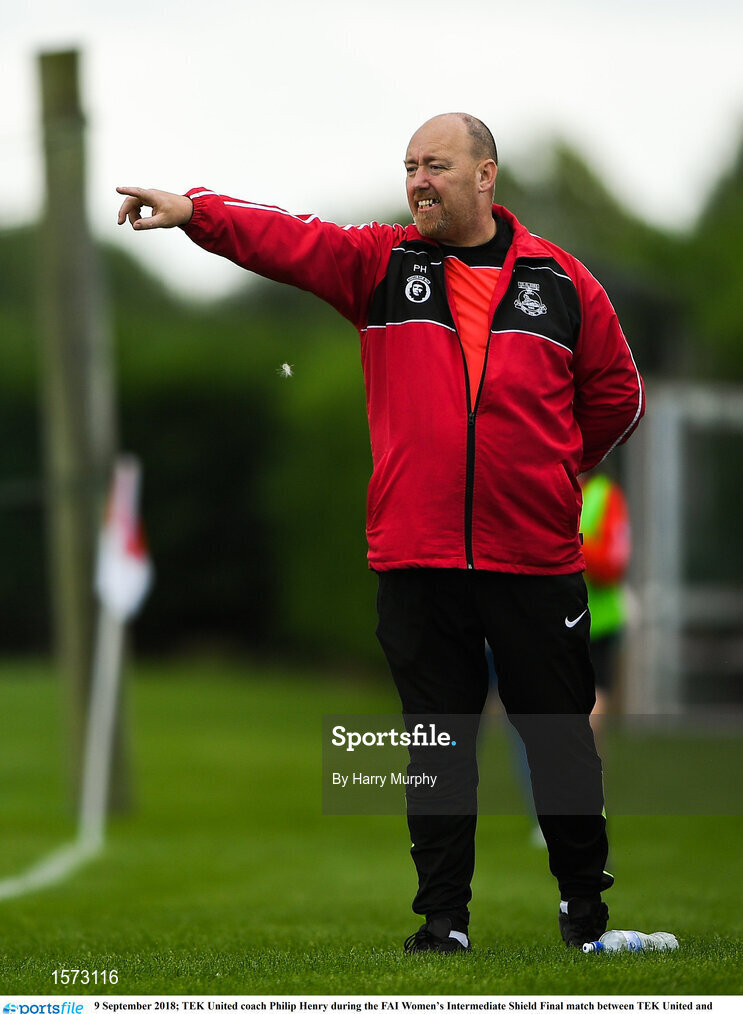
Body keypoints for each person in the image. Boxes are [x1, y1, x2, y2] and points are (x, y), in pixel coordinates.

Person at [117, 112, 645, 953]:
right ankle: (443, 924)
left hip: (533, 557)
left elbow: (618, 394)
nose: (417, 182)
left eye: (435, 165)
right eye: (408, 167)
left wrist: (549, 470)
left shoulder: (565, 282)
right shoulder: (376, 264)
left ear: (484, 176)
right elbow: (289, 240)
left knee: (558, 739)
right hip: (416, 554)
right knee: (435, 746)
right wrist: (195, 211)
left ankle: (588, 921)